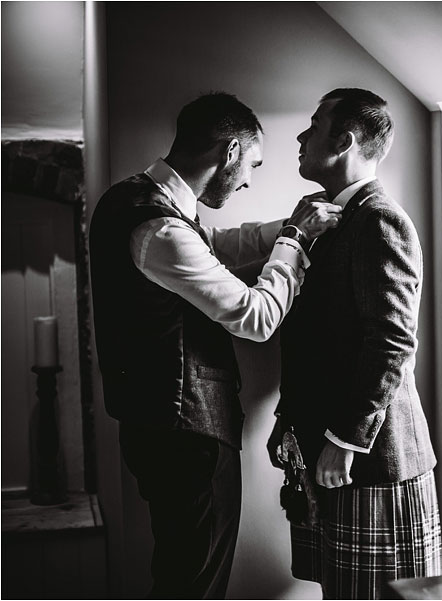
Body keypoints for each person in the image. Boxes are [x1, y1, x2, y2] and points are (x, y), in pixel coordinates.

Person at [89, 92, 341, 598]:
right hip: (188, 436)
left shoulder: (142, 202)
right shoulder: (159, 227)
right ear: (228, 153)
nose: (249, 178)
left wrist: (287, 227)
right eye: (251, 163)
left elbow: (218, 246)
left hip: (161, 428)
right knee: (196, 584)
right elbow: (256, 317)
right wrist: (296, 242)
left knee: (185, 574)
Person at [268, 88, 441, 599]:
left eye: (313, 126)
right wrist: (289, 420)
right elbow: (317, 338)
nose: (301, 136)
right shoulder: (326, 217)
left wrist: (345, 440)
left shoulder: (379, 219)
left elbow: (392, 342)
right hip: (328, 448)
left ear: (343, 141)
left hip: (370, 459)